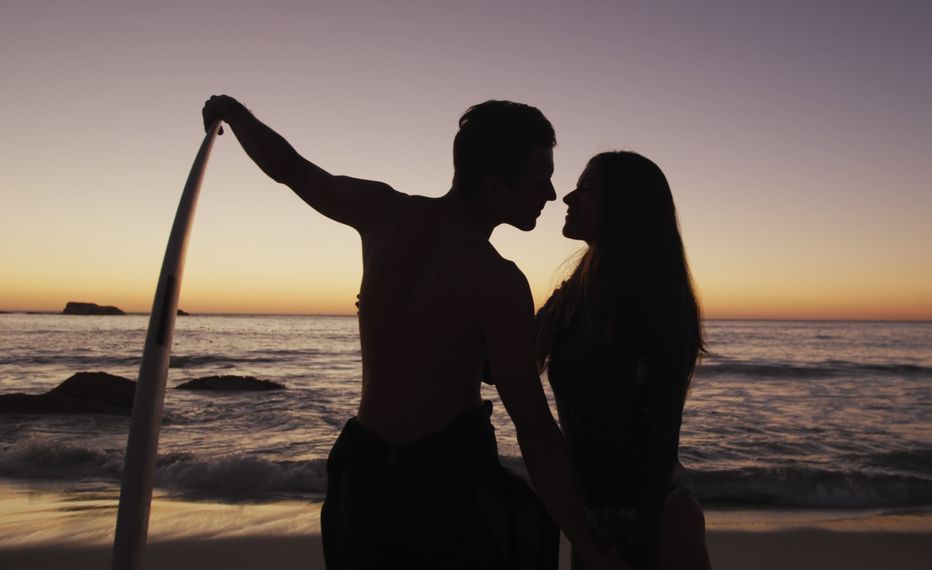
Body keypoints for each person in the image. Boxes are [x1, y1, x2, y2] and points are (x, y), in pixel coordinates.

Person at [201, 96, 621, 569]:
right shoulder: (498, 281)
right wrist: (585, 541)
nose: (549, 194)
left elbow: (292, 170)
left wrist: (236, 116)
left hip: (362, 477)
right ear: (494, 187)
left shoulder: (382, 212)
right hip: (444, 487)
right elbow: (533, 424)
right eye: (540, 178)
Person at [536, 152, 711, 569]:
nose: (568, 197)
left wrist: (643, 539)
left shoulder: (661, 303)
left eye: (586, 188)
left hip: (659, 515)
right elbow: (497, 367)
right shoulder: (571, 297)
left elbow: (665, 431)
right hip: (589, 517)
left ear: (625, 204)